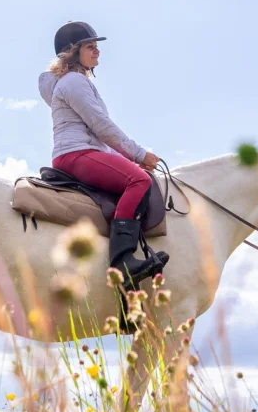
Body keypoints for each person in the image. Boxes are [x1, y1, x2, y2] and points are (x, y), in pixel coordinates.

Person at [38, 20, 169, 290]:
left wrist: (129, 160)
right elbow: (101, 127)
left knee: (136, 175)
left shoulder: (72, 81)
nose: (97, 51)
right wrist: (138, 154)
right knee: (139, 181)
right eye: (90, 46)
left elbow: (99, 136)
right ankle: (122, 263)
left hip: (81, 151)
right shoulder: (74, 82)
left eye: (97, 46)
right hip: (77, 154)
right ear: (73, 52)